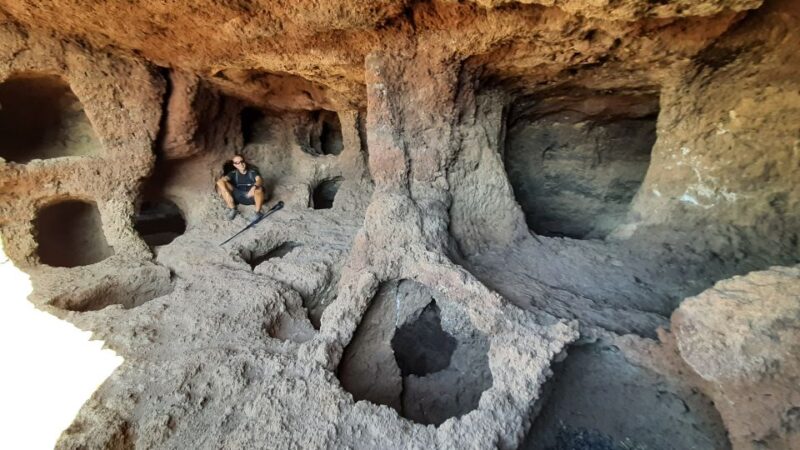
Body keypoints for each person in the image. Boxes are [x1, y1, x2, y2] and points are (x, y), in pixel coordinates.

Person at [216, 154, 264, 221]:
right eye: (237, 163)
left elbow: (260, 180)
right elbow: (219, 182)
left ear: (244, 162)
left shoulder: (252, 172)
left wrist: (254, 187)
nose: (240, 164)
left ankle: (257, 213)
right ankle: (233, 209)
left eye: (242, 161)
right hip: (238, 196)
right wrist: (227, 193)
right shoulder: (233, 173)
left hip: (250, 196)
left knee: (259, 189)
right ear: (234, 165)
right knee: (223, 185)